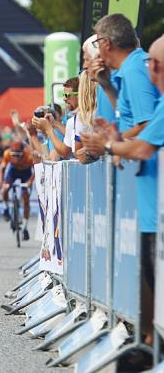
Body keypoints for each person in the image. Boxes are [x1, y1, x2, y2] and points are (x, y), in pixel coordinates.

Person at [81, 33, 164, 347]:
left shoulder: (134, 71)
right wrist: (111, 140)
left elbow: (142, 147)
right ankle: (150, 342)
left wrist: (108, 145)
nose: (150, 68)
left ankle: (152, 344)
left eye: (155, 64)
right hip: (147, 209)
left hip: (153, 210)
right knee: (146, 276)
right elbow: (137, 135)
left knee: (153, 281)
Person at [33, 77, 83, 159]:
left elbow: (64, 152)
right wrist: (54, 124)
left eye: (67, 95)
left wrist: (48, 129)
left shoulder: (81, 118)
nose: (64, 99)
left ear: (79, 95)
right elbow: (71, 135)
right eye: (63, 95)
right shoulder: (75, 118)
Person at [0, 140, 34, 240]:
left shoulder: (29, 155)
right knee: (5, 189)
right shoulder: (7, 154)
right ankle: (6, 208)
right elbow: (2, 169)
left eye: (18, 155)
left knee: (26, 199)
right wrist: (1, 181)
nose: (16, 158)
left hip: (26, 173)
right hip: (13, 171)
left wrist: (30, 182)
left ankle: (25, 228)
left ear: (23, 152)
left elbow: (36, 170)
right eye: (14, 155)